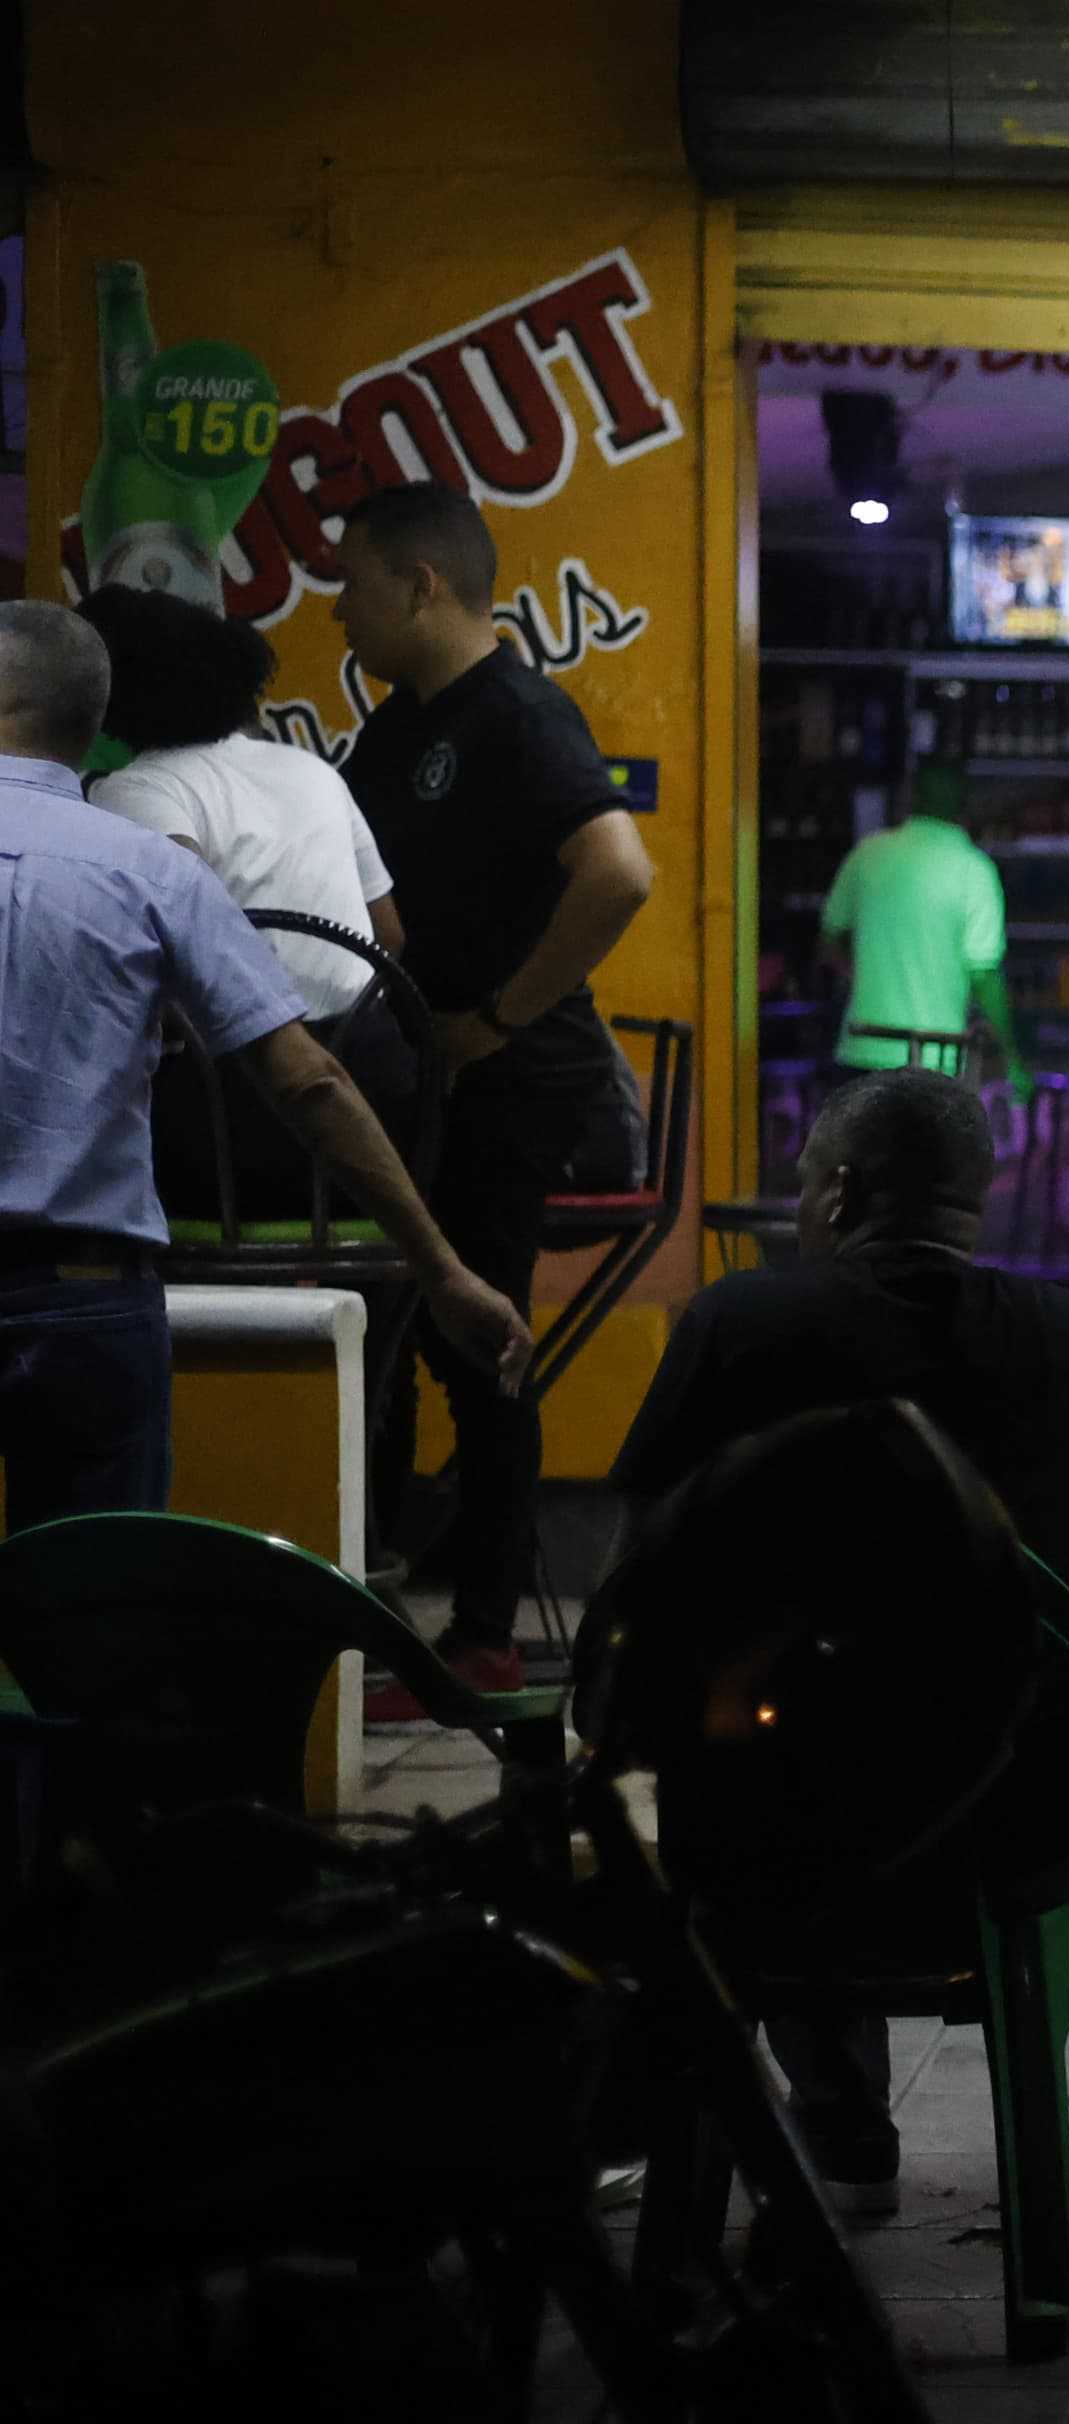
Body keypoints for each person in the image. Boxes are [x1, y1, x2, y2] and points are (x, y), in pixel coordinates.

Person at [612, 1069, 1069, 2210]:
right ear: (972, 1201)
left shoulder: (735, 1327)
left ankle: (837, 2107)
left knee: (761, 1726)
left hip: (777, 1835)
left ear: (837, 1195)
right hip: (1022, 1835)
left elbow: (640, 1594)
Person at [0, 600, 525, 1529]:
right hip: (110, 1280)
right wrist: (438, 1266)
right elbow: (346, 1012)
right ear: (90, 722)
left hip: (214, 1181)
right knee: (92, 1615)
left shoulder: (149, 802)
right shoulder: (200, 837)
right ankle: (371, 1540)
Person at [336, 479, 654, 1700]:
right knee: (400, 1333)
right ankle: (391, 1618)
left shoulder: (517, 711)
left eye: (352, 583)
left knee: (479, 1339)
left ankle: (482, 1637)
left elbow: (619, 874)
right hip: (426, 1077)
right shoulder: (400, 722)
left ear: (421, 586)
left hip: (518, 1079)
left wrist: (500, 1018)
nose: (336, 612)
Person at [78, 584, 423, 1202]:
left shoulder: (136, 789)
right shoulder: (310, 770)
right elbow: (388, 938)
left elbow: (189, 947)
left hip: (239, 1127)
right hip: (379, 1123)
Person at [820, 753, 1022, 1087]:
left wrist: (861, 976)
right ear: (964, 804)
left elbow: (828, 942)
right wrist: (1012, 1055)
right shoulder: (974, 870)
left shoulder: (868, 854)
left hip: (863, 1045)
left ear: (911, 796)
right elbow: (985, 973)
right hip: (936, 1054)